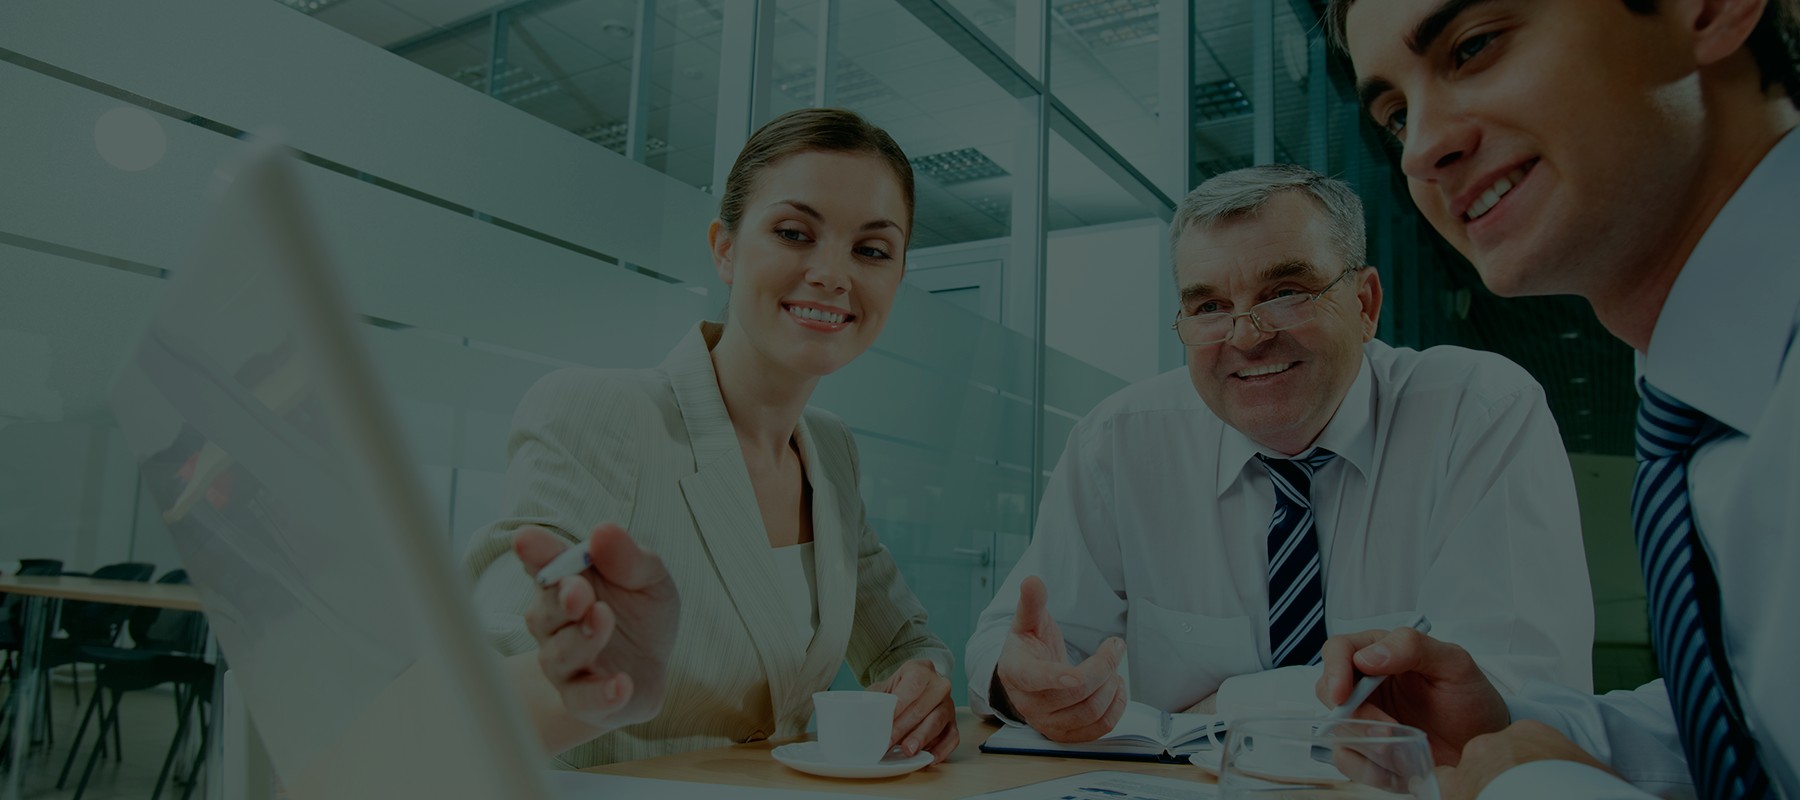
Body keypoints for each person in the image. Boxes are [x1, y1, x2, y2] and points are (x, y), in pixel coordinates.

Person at [1319, 0, 1800, 797]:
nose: (1423, 151)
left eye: (1473, 47)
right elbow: (1759, 731)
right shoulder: (1701, 401)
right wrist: (1509, 737)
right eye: (1397, 116)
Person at [964, 164, 1594, 743]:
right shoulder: (1121, 440)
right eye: (1209, 306)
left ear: (1366, 304)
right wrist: (1018, 681)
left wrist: (1225, 706)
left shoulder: (1477, 412)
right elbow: (1013, 642)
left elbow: (1512, 689)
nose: (1246, 336)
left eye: (1285, 292)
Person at [466, 108, 958, 767]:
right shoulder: (602, 414)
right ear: (724, 249)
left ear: (896, 277)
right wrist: (585, 683)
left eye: (872, 250)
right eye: (793, 232)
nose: (833, 274)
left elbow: (903, 643)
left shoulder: (830, 451)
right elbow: (474, 696)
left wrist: (925, 685)